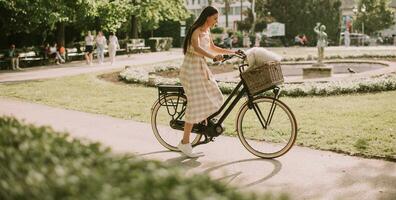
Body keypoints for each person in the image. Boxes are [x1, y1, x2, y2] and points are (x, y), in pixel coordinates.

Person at [178, 6, 238, 157]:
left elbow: (212, 47)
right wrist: (212, 57)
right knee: (195, 103)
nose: (216, 21)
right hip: (191, 69)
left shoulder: (207, 31)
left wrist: (233, 52)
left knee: (215, 93)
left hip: (200, 68)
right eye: (215, 18)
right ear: (207, 17)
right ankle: (185, 143)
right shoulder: (196, 29)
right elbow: (197, 48)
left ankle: (204, 121)